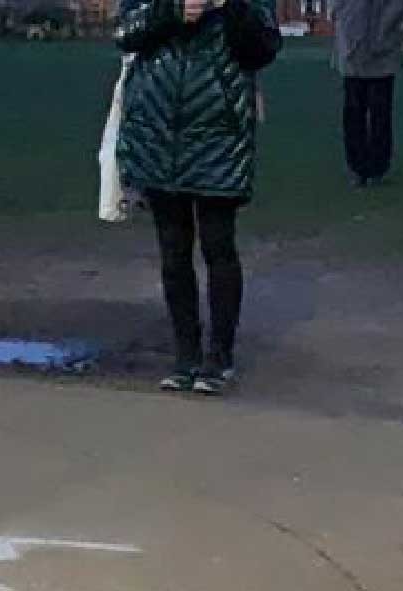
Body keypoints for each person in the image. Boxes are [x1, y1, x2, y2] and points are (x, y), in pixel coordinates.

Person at [116, 0, 281, 395]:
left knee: (217, 244)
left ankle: (219, 357)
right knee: (173, 251)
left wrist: (230, 7)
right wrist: (173, 11)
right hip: (158, 127)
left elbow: (263, 47)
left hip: (218, 131)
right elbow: (124, 34)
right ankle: (185, 355)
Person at [332, 0, 403, 186]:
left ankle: (378, 166)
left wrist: (385, 32)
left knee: (380, 112)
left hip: (383, 49)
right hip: (352, 47)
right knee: (353, 111)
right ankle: (357, 167)